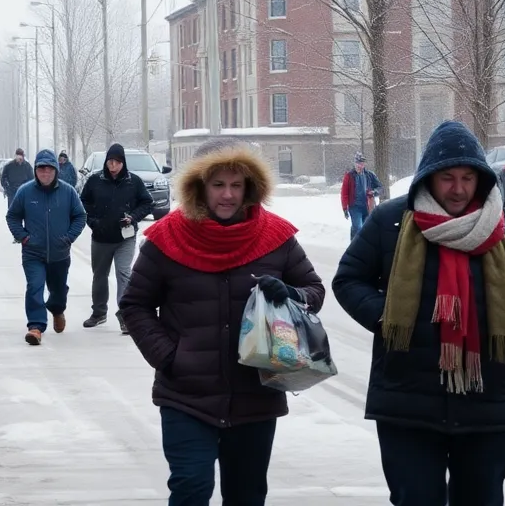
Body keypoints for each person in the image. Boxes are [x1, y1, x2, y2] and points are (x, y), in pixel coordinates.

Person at [333, 121, 505, 506]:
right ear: (429, 177)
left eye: (467, 177)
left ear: (482, 180)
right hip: (406, 400)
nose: (459, 188)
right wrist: (390, 321)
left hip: (488, 404)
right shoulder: (391, 222)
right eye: (447, 177)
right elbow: (349, 280)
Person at [119, 137, 325, 505]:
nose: (227, 195)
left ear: (250, 188)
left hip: (255, 395)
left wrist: (292, 295)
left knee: (246, 495)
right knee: (190, 487)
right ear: (199, 187)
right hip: (186, 395)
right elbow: (135, 305)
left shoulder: (275, 237)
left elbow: (313, 289)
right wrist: (169, 356)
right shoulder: (166, 238)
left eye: (236, 185)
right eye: (218, 185)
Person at [6, 149, 88, 345]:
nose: (45, 173)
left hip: (60, 253)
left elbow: (80, 216)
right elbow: (13, 216)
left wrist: (69, 238)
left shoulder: (68, 192)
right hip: (33, 252)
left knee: (58, 290)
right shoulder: (25, 191)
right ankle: (35, 326)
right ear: (35, 170)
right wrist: (23, 237)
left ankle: (58, 310)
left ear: (55, 170)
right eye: (41, 169)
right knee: (35, 286)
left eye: (49, 169)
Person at [79, 143, 153, 333]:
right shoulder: (95, 180)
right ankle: (99, 312)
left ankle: (125, 316)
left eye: (117, 162)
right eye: (110, 161)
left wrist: (133, 217)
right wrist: (93, 221)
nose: (113, 165)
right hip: (101, 237)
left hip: (125, 237)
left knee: (123, 273)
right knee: (100, 275)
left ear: (123, 163)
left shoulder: (133, 181)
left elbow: (147, 203)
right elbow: (83, 202)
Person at [340, 151, 382, 240]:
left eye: (362, 164)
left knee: (365, 229)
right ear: (354, 163)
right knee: (358, 228)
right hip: (354, 207)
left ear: (364, 164)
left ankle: (355, 245)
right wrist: (344, 208)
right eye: (358, 163)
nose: (360, 166)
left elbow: (380, 187)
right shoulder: (349, 176)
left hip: (367, 207)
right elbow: (344, 193)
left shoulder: (369, 175)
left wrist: (374, 192)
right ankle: (357, 249)